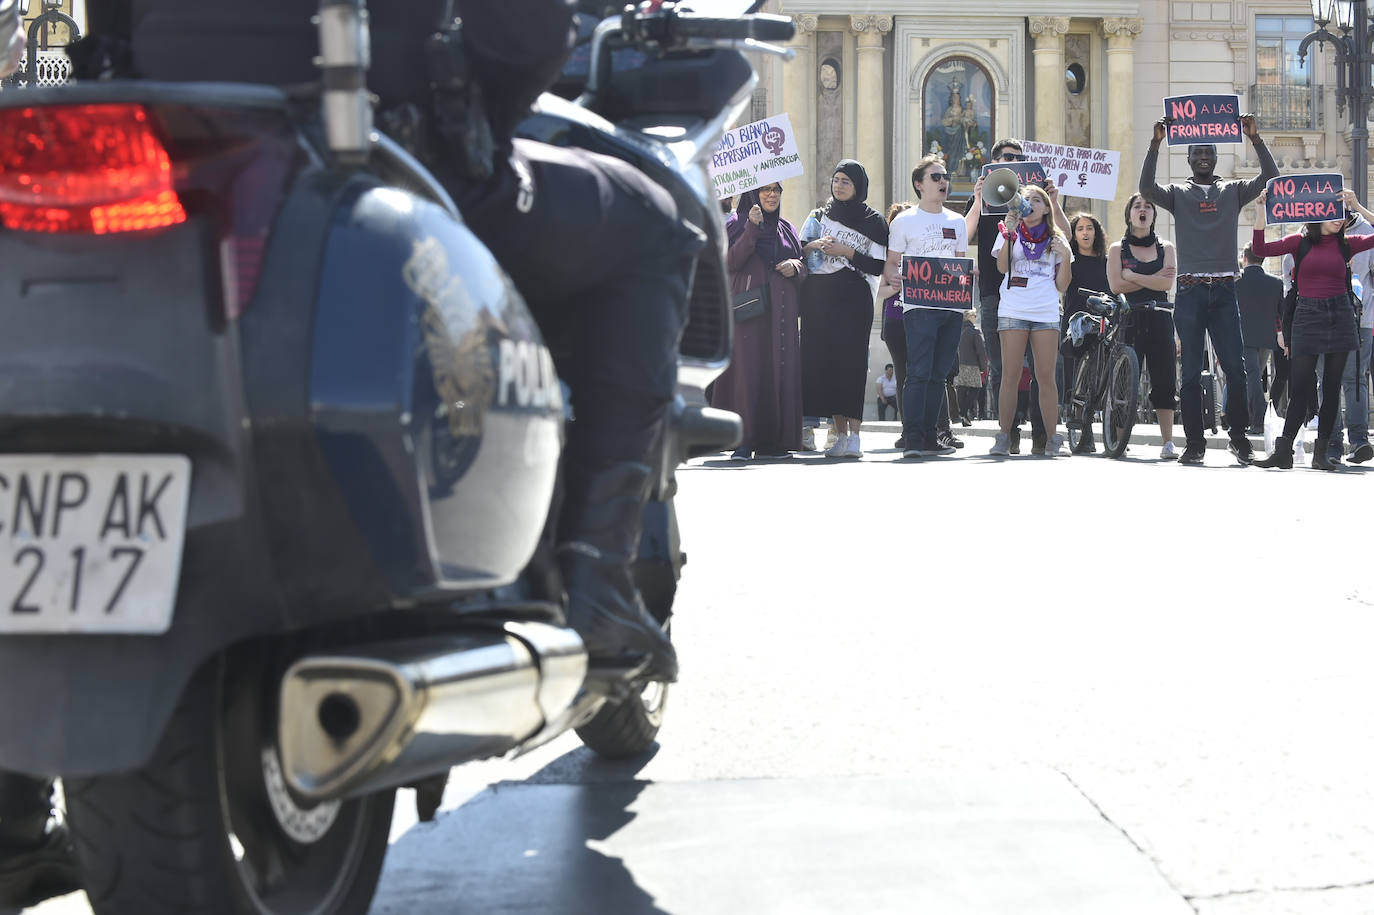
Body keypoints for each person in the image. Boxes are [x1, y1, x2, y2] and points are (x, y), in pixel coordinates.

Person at [1138, 115, 1279, 465]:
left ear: (1215, 157)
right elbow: (1146, 190)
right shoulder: (1176, 194)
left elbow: (1271, 178)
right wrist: (1155, 143)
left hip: (1225, 291)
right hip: (1189, 292)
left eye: (1208, 152)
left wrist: (1255, 139)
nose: (1203, 156)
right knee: (1188, 372)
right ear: (1188, 159)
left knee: (1235, 367)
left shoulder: (1232, 191)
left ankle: (1239, 438)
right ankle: (1195, 443)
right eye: (1197, 152)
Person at [1252, 188, 1374, 469]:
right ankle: (1283, 451)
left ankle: (1321, 454)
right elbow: (1260, 250)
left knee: (1331, 389)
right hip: (1307, 315)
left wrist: (1358, 205)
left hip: (1340, 315)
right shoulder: (1300, 242)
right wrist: (1260, 211)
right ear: (1317, 215)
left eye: (1343, 215)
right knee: (1302, 386)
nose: (1339, 219)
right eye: (1333, 213)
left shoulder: (1348, 243)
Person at [799, 160, 888, 459]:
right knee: (827, 367)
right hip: (820, 298)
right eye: (836, 180)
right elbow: (799, 248)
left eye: (845, 181)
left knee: (850, 366)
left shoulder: (874, 221)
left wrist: (847, 251)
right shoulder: (818, 216)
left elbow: (878, 265)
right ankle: (839, 434)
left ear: (858, 185)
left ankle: (856, 437)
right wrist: (814, 246)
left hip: (854, 297)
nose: (839, 186)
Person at [884, 154, 968, 458]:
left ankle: (932, 437)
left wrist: (969, 276)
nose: (943, 181)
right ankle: (914, 439)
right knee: (918, 372)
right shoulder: (905, 221)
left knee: (939, 374)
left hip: (952, 309)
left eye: (944, 176)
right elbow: (892, 264)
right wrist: (894, 279)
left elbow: (960, 263)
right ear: (919, 184)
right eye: (936, 177)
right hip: (918, 307)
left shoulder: (956, 221)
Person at [714, 183, 806, 461]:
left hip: (781, 313)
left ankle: (773, 442)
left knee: (777, 372)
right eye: (765, 189)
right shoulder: (736, 223)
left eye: (777, 190)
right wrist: (752, 229)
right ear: (753, 194)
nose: (772, 195)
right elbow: (730, 261)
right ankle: (742, 441)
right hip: (750, 314)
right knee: (748, 373)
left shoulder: (786, 227)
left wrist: (796, 266)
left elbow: (802, 261)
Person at [987, 184, 1073, 456]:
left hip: (1045, 311)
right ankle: (1004, 435)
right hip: (1013, 309)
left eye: (1037, 200)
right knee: (1010, 375)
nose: (1031, 204)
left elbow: (1062, 285)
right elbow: (1002, 267)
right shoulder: (1008, 232)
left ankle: (1052, 438)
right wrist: (1009, 234)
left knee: (1046, 377)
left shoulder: (1057, 238)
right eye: (1026, 200)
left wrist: (1067, 257)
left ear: (1047, 208)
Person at [1107, 194, 1180, 459]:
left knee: (1165, 379)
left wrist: (1134, 275)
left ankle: (1168, 442)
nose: (1143, 210)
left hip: (1160, 318)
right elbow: (1116, 286)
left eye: (1148, 206)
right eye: (1137, 206)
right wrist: (1153, 277)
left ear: (1153, 215)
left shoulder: (1166, 247)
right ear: (1129, 215)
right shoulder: (1118, 249)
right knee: (1125, 380)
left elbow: (1166, 285)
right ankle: (1120, 437)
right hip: (1130, 318)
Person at [1062, 212, 1109, 452]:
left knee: (1099, 379)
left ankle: (1106, 430)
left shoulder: (1107, 261)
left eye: (1089, 228)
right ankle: (1081, 427)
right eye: (1080, 228)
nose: (1085, 232)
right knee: (1076, 379)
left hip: (1102, 323)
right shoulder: (1069, 261)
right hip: (1076, 323)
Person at [1331, 206, 1374, 464]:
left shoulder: (1365, 232)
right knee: (1328, 381)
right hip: (1323, 319)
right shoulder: (1311, 234)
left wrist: (1359, 205)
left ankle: (1359, 440)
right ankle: (1332, 442)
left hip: (1361, 318)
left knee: (1355, 378)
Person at [1236, 242, 1282, 435]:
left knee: (1252, 377)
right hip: (1267, 336)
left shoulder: (1236, 280)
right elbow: (1281, 312)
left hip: (1243, 335)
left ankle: (1257, 419)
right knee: (1256, 376)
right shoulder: (1276, 282)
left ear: (1244, 258)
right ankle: (1251, 417)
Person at [878, 202, 913, 447]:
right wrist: (894, 287)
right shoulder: (886, 255)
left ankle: (934, 427)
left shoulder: (922, 247)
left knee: (924, 374)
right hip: (896, 319)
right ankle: (907, 429)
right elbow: (878, 290)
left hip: (922, 319)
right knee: (902, 376)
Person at [955, 309, 988, 423]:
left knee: (961, 390)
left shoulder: (957, 331)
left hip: (958, 364)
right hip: (972, 365)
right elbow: (980, 351)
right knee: (976, 388)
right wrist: (984, 367)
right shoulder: (974, 332)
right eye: (974, 315)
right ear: (969, 317)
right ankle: (963, 413)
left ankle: (963, 416)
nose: (976, 317)